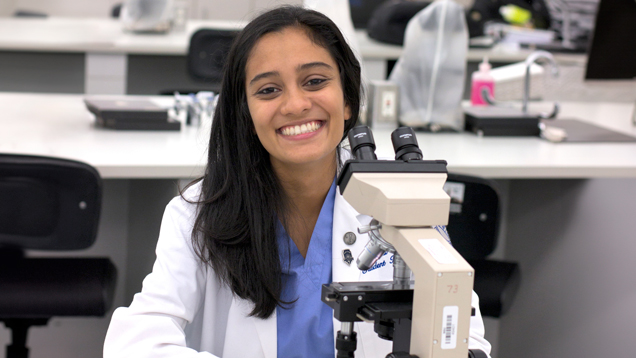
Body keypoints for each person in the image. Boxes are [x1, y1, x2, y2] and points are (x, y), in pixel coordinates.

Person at [103, 6, 492, 358]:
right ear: (246, 112)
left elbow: (465, 336)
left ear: (347, 101)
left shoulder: (404, 201)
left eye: (315, 81)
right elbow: (135, 342)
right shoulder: (197, 213)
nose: (295, 105)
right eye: (268, 90)